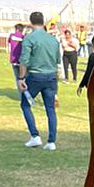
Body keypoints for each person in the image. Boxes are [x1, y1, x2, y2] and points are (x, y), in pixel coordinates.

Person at [18, 10, 60, 149]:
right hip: (51, 76)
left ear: (31, 23)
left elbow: (24, 60)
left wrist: (21, 78)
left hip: (35, 75)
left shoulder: (29, 38)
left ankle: (35, 135)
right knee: (50, 109)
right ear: (43, 22)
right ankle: (51, 141)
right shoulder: (53, 40)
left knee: (25, 104)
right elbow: (57, 61)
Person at [8, 22, 25, 88]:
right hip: (22, 60)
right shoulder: (24, 37)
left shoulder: (12, 36)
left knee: (17, 78)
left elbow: (9, 41)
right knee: (23, 78)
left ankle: (22, 95)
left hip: (14, 60)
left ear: (16, 29)